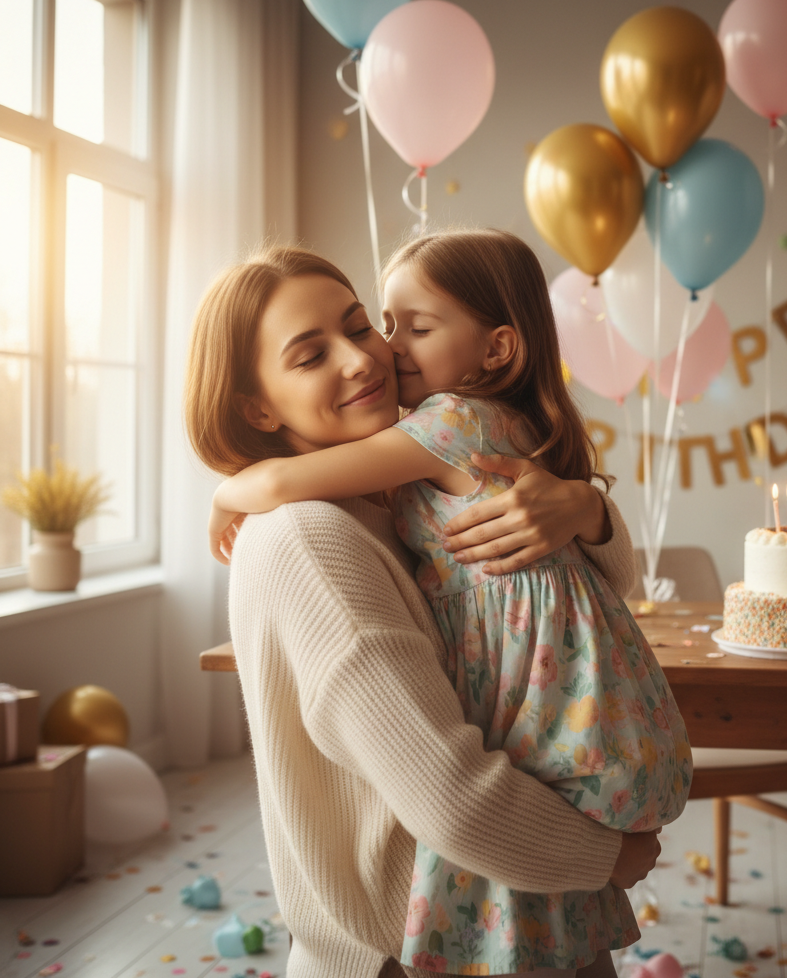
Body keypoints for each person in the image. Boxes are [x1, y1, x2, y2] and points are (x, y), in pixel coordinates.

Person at [206, 231, 693, 976]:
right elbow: (450, 797)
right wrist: (608, 855)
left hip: (515, 911)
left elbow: (608, 582)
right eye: (310, 355)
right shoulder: (310, 537)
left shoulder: (400, 492)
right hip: (415, 950)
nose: (364, 357)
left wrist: (580, 510)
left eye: (359, 323)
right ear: (260, 411)